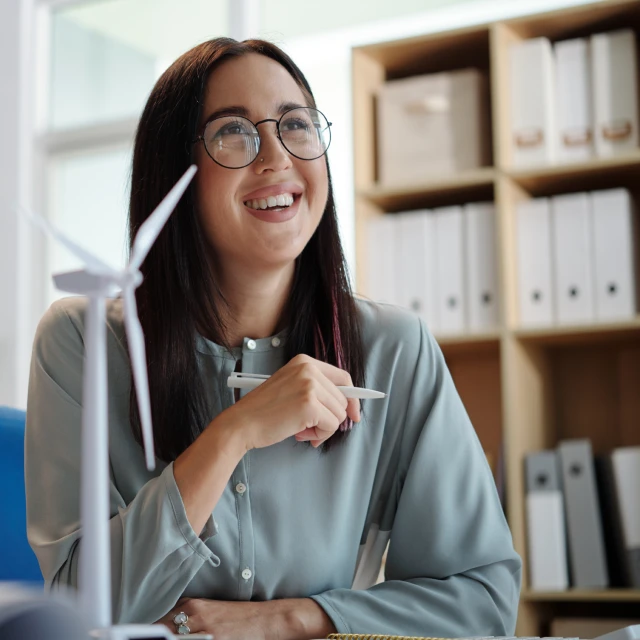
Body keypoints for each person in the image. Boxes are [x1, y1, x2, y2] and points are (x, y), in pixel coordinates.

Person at [25, 37, 522, 640]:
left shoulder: (396, 349)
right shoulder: (80, 341)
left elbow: (480, 601)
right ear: (172, 173)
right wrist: (233, 434)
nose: (276, 159)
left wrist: (287, 619)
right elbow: (79, 611)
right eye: (234, 132)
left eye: (297, 125)